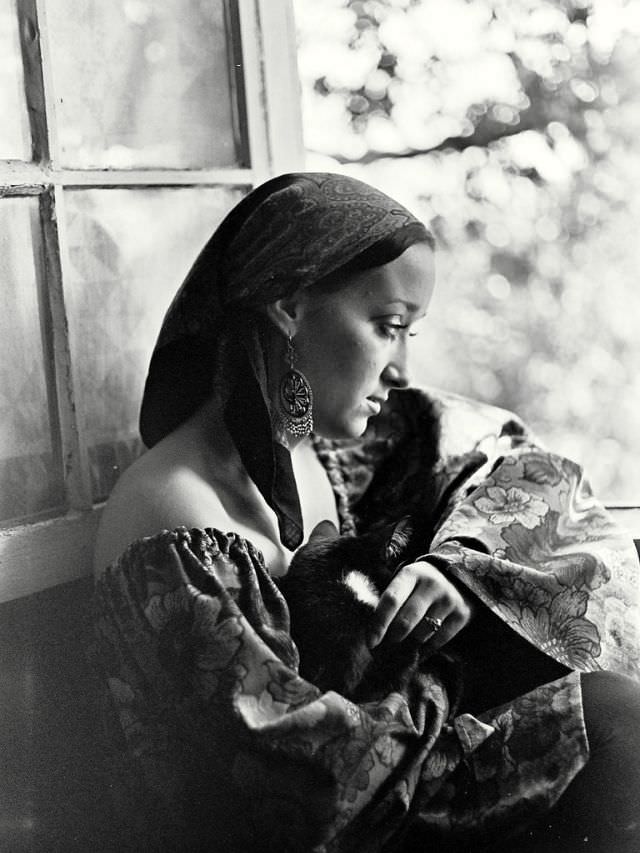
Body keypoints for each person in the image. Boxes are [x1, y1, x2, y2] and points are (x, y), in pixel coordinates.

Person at [92, 172, 640, 852]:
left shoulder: (315, 458)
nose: (401, 369)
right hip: (323, 821)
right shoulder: (175, 511)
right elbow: (300, 779)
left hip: (380, 790)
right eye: (388, 327)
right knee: (616, 718)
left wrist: (458, 571)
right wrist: (446, 682)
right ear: (288, 306)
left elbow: (512, 464)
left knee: (608, 703)